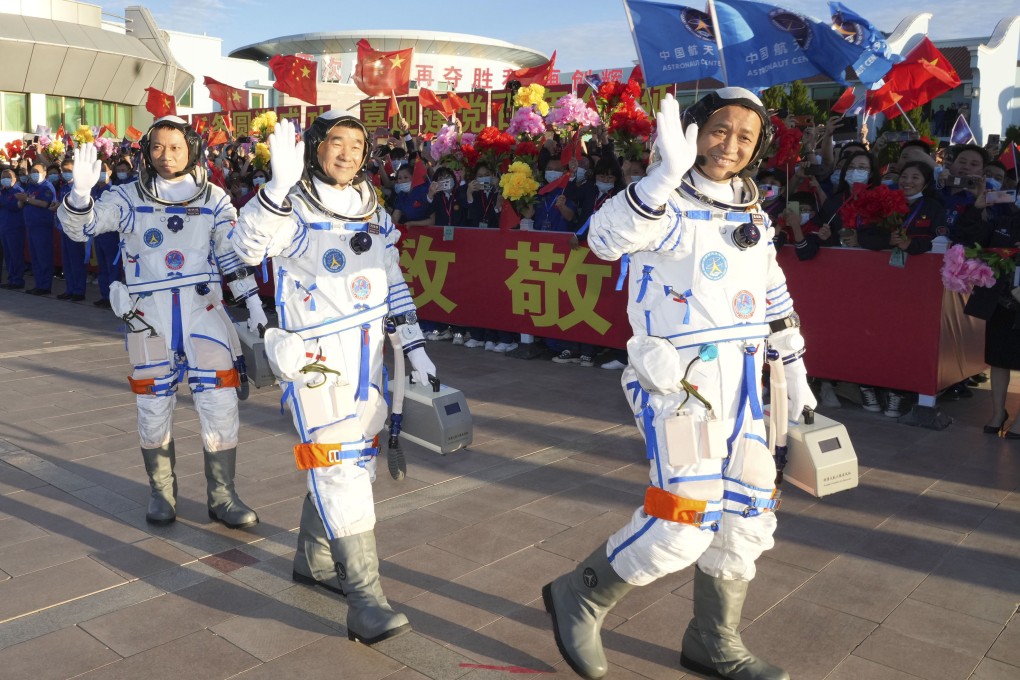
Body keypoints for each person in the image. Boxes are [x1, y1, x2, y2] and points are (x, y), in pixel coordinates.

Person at [543, 89, 812, 680]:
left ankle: (714, 640)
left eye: (745, 136)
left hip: (745, 387)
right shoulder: (661, 204)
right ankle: (582, 593)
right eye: (720, 130)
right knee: (683, 519)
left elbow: (772, 292)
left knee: (748, 514)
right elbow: (601, 240)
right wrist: (662, 177)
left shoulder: (752, 211)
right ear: (693, 131)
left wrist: (792, 363)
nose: (731, 145)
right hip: (680, 390)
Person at [233, 113, 436, 646]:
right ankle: (366, 598)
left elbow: (392, 279)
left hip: (371, 355)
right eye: (335, 143)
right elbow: (248, 248)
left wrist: (414, 348)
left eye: (356, 144)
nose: (347, 154)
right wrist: (275, 188)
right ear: (316, 149)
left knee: (357, 463)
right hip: (316, 358)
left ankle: (313, 558)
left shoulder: (372, 204)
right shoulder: (293, 205)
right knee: (339, 465)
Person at [58, 116, 265, 529]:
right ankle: (161, 492)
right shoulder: (127, 197)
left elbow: (230, 254)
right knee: (153, 407)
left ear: (192, 149)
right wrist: (80, 195)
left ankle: (223, 496)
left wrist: (254, 305)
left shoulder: (214, 198)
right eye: (157, 147)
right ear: (147, 152)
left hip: (203, 311)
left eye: (175, 147)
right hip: (148, 315)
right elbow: (84, 228)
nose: (166, 155)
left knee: (220, 404)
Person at [19, 161, 57, 295]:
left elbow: (45, 204)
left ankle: (45, 286)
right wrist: (22, 199)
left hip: (42, 227)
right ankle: (39, 284)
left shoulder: (47, 187)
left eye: (38, 172)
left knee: (43, 256)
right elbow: (22, 203)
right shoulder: (30, 186)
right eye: (33, 172)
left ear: (45, 173)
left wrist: (27, 200)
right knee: (35, 257)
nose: (35, 174)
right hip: (31, 226)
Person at [55, 156, 87, 301]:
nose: (65, 173)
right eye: (63, 170)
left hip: (75, 230)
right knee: (67, 261)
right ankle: (70, 288)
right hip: (64, 228)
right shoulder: (64, 187)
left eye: (69, 170)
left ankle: (79, 291)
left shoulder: (79, 188)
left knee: (76, 261)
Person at [91, 161, 118, 308]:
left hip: (110, 234)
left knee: (112, 267)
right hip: (98, 233)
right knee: (102, 267)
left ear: (110, 171)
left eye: (103, 170)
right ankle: (104, 295)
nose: (101, 173)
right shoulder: (94, 190)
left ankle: (114, 298)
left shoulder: (113, 190)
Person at [0, 167, 26, 289]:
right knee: (9, 255)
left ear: (14, 179)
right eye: (3, 177)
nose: (5, 179)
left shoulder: (18, 191)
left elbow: (16, 206)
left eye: (8, 177)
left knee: (16, 255)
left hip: (15, 228)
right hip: (4, 228)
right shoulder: (3, 191)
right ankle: (11, 279)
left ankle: (18, 280)